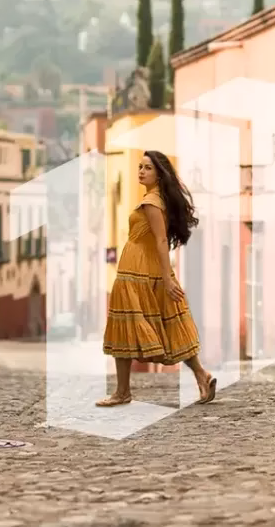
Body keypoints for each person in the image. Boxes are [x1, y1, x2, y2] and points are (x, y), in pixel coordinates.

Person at [97, 150, 216, 407]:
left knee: (124, 324)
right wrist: (165, 276)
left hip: (136, 270)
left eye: (148, 168)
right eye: (140, 167)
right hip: (149, 267)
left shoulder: (152, 201)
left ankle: (122, 392)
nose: (141, 171)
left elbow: (161, 240)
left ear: (160, 175)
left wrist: (167, 277)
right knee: (171, 323)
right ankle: (202, 375)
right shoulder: (157, 198)